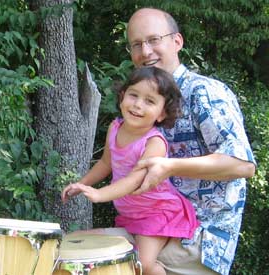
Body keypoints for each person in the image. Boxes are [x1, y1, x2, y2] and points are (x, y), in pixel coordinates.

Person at [122, 7, 256, 275]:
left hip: (199, 236)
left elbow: (243, 165)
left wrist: (170, 166)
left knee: (118, 265)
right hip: (159, 227)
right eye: (137, 44)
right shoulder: (144, 101)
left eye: (153, 40)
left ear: (177, 41)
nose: (145, 51)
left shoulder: (203, 92)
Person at [62, 66, 200, 275]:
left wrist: (100, 194)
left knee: (142, 264)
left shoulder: (155, 142)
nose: (137, 105)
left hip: (157, 213)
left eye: (149, 101)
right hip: (132, 214)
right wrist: (83, 184)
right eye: (133, 95)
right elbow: (105, 163)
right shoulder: (115, 127)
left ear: (162, 113)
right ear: (122, 96)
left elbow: (135, 180)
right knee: (81, 243)